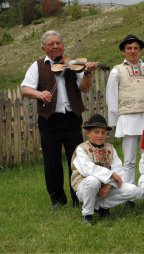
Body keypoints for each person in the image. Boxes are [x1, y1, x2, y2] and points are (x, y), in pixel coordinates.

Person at [20, 30, 97, 210]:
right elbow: (25, 88)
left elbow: (85, 89)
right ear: (44, 48)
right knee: (52, 161)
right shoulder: (38, 66)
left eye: (58, 43)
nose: (55, 46)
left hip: (72, 118)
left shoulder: (73, 64)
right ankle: (57, 199)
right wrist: (39, 93)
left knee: (76, 160)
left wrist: (87, 74)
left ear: (63, 45)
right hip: (49, 120)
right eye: (50, 44)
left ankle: (79, 196)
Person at [106, 34, 144, 190]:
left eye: (136, 48)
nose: (133, 51)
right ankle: (129, 192)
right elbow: (112, 97)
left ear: (140, 50)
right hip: (128, 119)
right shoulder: (117, 71)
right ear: (124, 51)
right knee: (129, 159)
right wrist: (114, 122)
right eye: (129, 48)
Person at [71, 114, 140, 224]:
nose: (100, 135)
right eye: (96, 132)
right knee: (93, 180)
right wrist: (111, 175)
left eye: (103, 132)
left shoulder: (110, 148)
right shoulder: (81, 148)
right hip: (84, 188)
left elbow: (119, 171)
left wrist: (108, 185)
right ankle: (87, 215)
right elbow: (87, 169)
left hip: (106, 188)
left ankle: (98, 206)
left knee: (133, 190)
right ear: (88, 133)